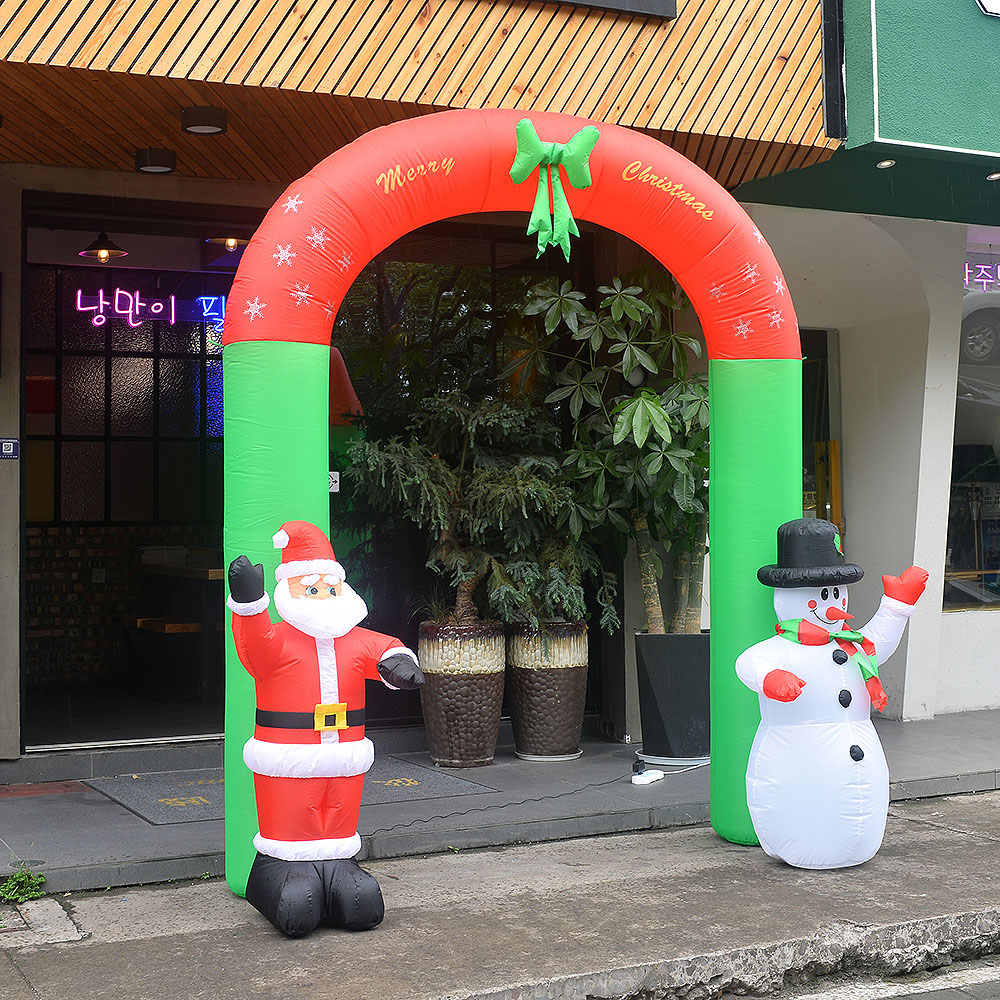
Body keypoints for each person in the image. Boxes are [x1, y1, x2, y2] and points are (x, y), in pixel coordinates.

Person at [227, 519, 423, 937]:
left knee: (339, 817)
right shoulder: (279, 640)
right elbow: (255, 647)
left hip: (345, 756)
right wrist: (249, 604)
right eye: (311, 588)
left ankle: (338, 868)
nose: (322, 596)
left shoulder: (354, 639)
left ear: (342, 589)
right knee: (292, 823)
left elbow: (384, 648)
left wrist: (401, 664)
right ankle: (283, 873)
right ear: (290, 591)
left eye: (329, 588)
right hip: (288, 753)